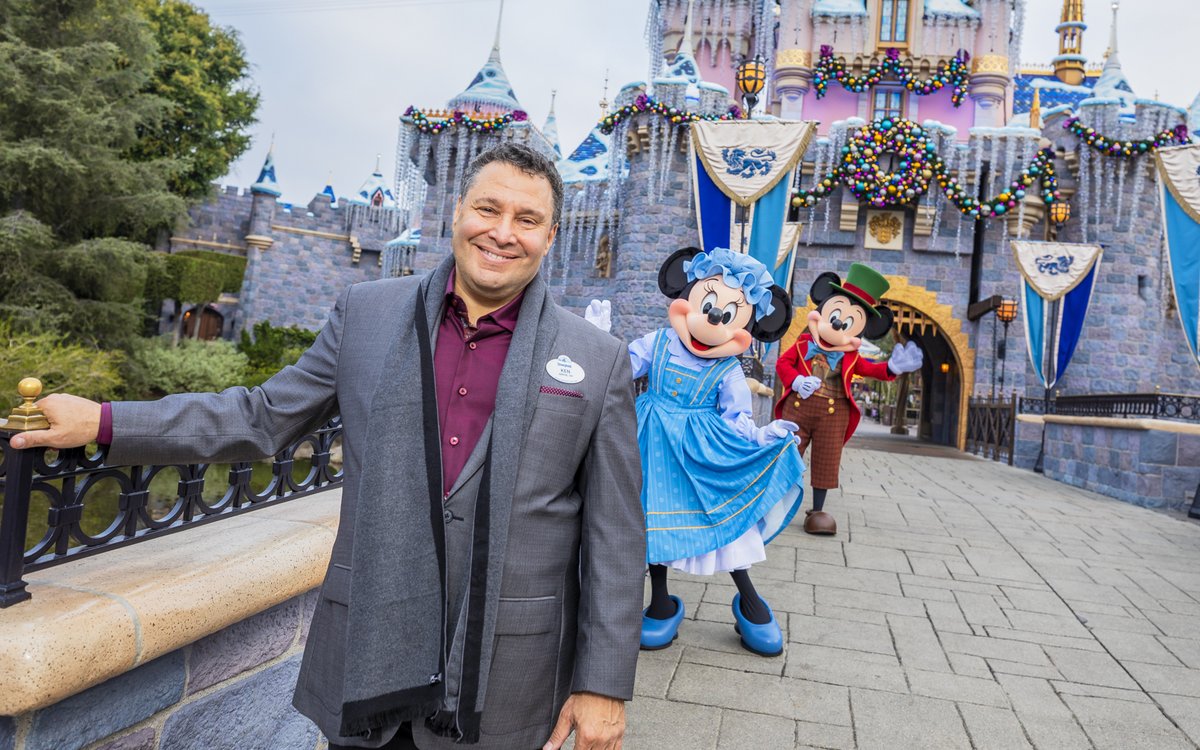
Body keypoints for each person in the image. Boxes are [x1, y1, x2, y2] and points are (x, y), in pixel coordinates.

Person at [10, 143, 645, 750]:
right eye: (488, 208)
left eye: (527, 219)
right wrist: (106, 422)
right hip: (367, 649)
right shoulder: (367, 313)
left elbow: (615, 537)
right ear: (457, 212)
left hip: (509, 669)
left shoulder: (596, 359)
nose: (503, 232)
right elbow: (261, 417)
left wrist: (603, 688)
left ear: (551, 235)